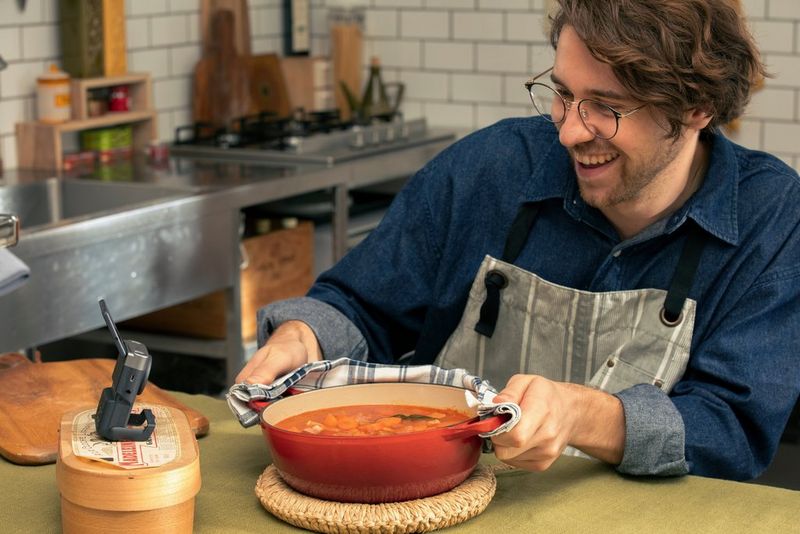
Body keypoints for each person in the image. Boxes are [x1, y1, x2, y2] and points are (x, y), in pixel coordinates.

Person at [237, 0, 800, 481]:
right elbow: (361, 303)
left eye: (606, 107)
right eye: (561, 93)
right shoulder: (491, 168)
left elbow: (731, 430)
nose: (570, 130)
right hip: (445, 502)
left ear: (696, 108)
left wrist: (581, 415)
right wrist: (302, 338)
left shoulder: (768, 217)